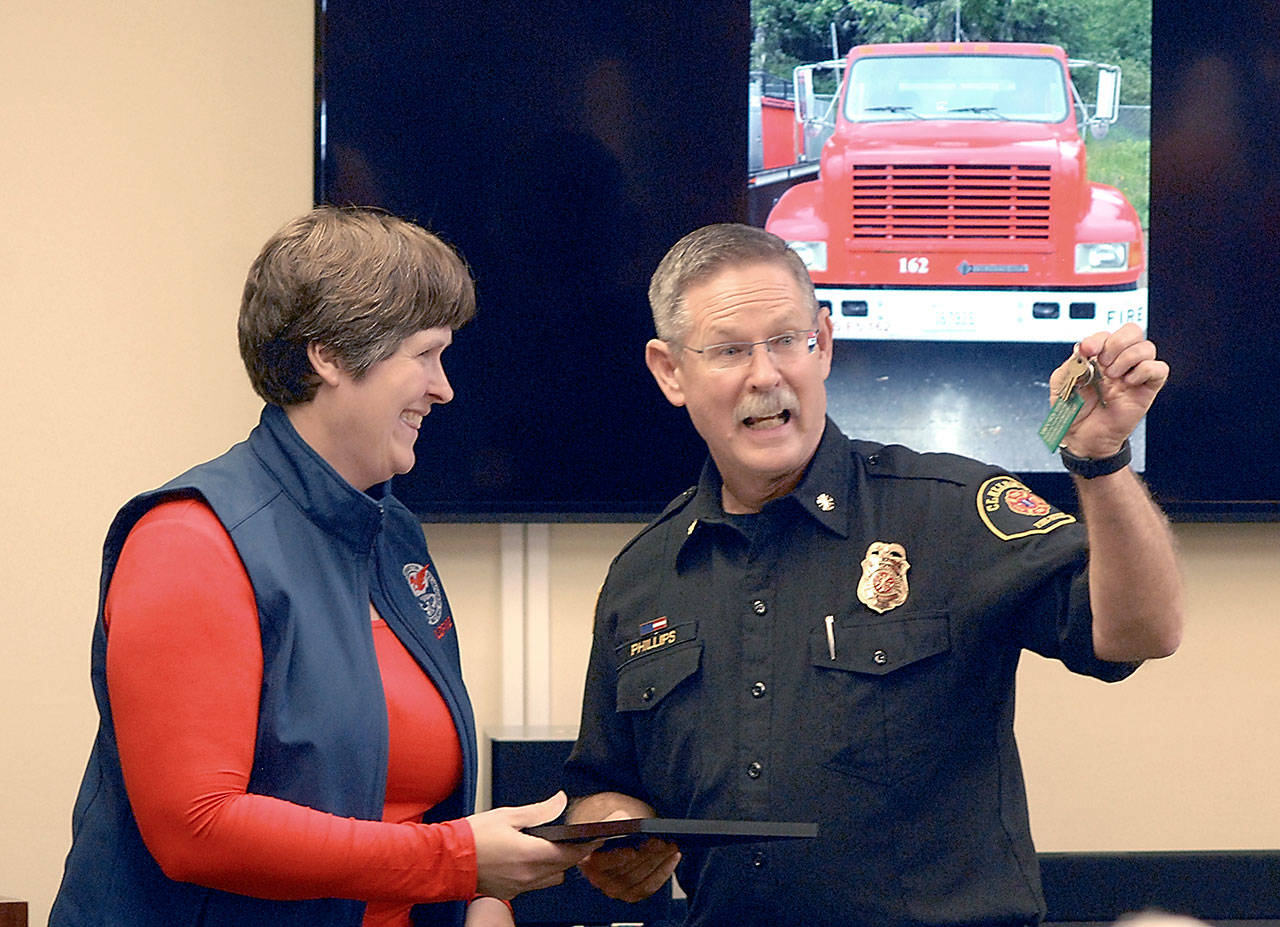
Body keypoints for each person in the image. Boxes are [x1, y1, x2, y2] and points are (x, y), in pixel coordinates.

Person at [562, 223, 1184, 927]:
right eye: (730, 350)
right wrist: (610, 830)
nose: (765, 374)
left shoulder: (950, 511)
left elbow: (1141, 632)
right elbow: (602, 786)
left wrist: (1101, 461)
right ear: (670, 370)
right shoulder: (644, 574)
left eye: (787, 340)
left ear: (823, 344)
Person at [50, 206, 592, 927]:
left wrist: (482, 896)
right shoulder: (190, 539)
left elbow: (415, 812)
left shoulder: (393, 535)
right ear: (330, 356)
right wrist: (457, 863)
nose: (444, 388)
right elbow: (196, 827)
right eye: (425, 355)